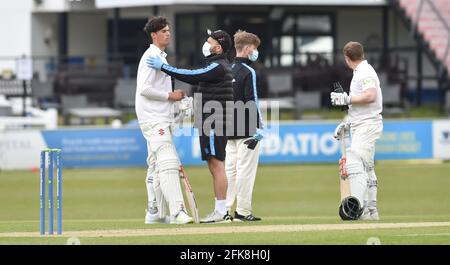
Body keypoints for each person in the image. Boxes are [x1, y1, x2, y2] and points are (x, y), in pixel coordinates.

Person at [147, 29, 235, 223]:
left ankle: (221, 211)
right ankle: (220, 210)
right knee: (214, 163)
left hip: (214, 120)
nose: (206, 43)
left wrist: (163, 67)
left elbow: (191, 75)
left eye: (209, 40)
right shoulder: (217, 65)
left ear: (218, 47)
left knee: (217, 164)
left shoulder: (218, 66)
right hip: (211, 120)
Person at [136, 16, 193, 225]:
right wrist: (170, 97)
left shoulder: (160, 57)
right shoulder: (151, 56)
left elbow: (158, 90)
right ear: (154, 35)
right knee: (168, 161)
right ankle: (177, 211)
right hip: (153, 119)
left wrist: (176, 108)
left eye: (168, 30)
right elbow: (145, 89)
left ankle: (155, 213)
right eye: (163, 31)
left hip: (160, 117)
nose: (168, 33)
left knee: (155, 165)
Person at [331, 41, 383, 221]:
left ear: (347, 58)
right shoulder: (360, 71)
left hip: (368, 125)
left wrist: (347, 98)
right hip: (361, 123)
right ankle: (371, 211)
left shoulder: (365, 72)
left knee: (353, 160)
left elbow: (370, 96)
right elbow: (361, 105)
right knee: (367, 166)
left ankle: (358, 207)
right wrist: (347, 122)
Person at [225, 30, 263, 221]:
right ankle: (243, 211)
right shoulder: (248, 71)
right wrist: (259, 127)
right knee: (245, 171)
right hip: (247, 129)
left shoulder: (227, 68)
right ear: (248, 48)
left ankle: (224, 210)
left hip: (228, 130)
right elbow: (252, 100)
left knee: (230, 172)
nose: (255, 52)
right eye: (255, 48)